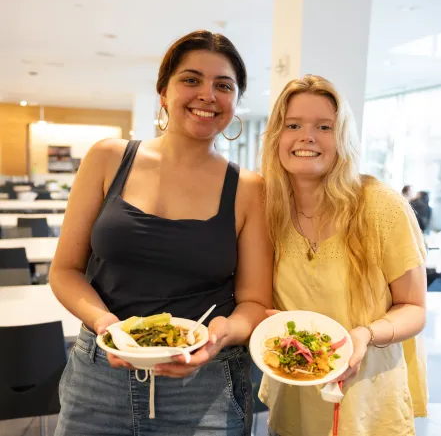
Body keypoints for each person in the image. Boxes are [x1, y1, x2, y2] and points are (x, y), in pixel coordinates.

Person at [50, 30, 273, 436]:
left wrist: (221, 336)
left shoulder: (248, 188)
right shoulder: (107, 158)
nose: (207, 94)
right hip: (98, 381)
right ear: (163, 92)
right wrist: (107, 326)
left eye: (223, 85)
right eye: (191, 80)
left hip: (205, 387)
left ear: (235, 102)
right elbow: (64, 270)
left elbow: (256, 301)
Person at [259, 74, 427, 436]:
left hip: (368, 406)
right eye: (293, 125)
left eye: (324, 126)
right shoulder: (266, 209)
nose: (308, 136)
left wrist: (365, 334)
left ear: (343, 138)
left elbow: (414, 308)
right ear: (276, 136)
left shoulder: (379, 205)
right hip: (294, 399)